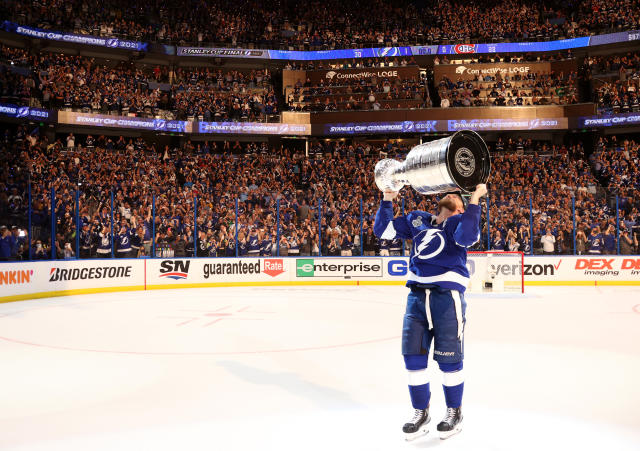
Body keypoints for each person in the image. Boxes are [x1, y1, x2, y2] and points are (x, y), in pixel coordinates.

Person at [374, 184, 487, 441]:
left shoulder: (460, 221)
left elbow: (467, 237)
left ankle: (454, 412)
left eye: (457, 196)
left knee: (450, 361)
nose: (451, 193)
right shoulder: (418, 219)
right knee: (413, 361)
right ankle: (420, 413)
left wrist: (475, 200)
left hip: (446, 298)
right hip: (416, 297)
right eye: (449, 192)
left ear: (460, 206)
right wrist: (387, 200)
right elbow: (383, 230)